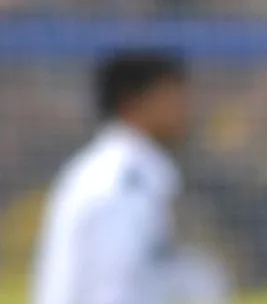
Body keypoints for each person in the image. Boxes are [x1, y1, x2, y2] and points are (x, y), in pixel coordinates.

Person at [31, 50, 191, 304]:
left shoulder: (117, 170)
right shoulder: (121, 180)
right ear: (133, 101)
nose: (184, 110)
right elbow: (114, 288)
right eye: (172, 97)